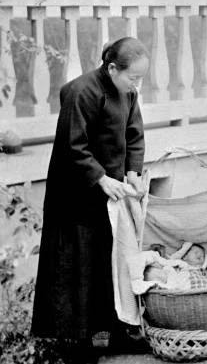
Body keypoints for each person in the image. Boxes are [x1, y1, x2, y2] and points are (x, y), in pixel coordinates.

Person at [31, 37, 150, 361]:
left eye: (140, 78)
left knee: (107, 263)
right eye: (133, 77)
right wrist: (100, 178)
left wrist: (132, 172)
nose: (137, 85)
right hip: (75, 194)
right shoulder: (81, 92)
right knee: (77, 268)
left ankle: (114, 335)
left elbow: (134, 135)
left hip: (109, 194)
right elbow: (73, 145)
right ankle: (78, 345)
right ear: (112, 68)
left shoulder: (128, 93)